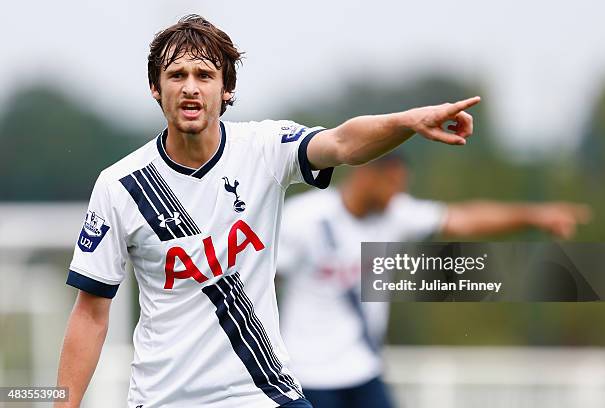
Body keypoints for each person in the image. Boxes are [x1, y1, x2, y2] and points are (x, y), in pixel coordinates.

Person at [55, 14, 481, 408]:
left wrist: (408, 122)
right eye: (176, 75)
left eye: (204, 75)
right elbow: (91, 313)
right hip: (165, 398)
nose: (190, 87)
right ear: (155, 87)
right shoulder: (120, 185)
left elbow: (343, 144)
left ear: (226, 90)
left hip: (261, 392)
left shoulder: (264, 149)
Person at [277, 155, 590, 408]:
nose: (399, 195)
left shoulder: (394, 215)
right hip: (309, 375)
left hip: (364, 369)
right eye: (393, 185)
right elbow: (256, 280)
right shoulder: (303, 219)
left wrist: (534, 216)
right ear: (366, 175)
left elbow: (464, 219)